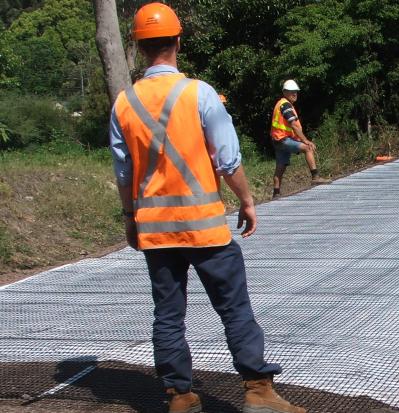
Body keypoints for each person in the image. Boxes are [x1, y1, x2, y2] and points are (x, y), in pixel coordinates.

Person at [108, 4, 305, 413]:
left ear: (139, 47)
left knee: (168, 313)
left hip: (156, 231)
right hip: (206, 230)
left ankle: (179, 396)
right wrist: (247, 201)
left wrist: (131, 220)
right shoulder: (199, 94)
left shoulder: (124, 103)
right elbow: (227, 160)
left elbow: (124, 173)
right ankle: (258, 391)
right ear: (178, 41)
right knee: (234, 307)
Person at [270, 79, 331, 199]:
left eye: (296, 92)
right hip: (283, 139)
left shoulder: (282, 104)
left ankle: (276, 193)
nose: (295, 94)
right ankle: (315, 177)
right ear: (285, 92)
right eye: (292, 92)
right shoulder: (285, 105)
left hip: (278, 139)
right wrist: (305, 140)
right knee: (307, 148)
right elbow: (293, 124)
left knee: (281, 166)